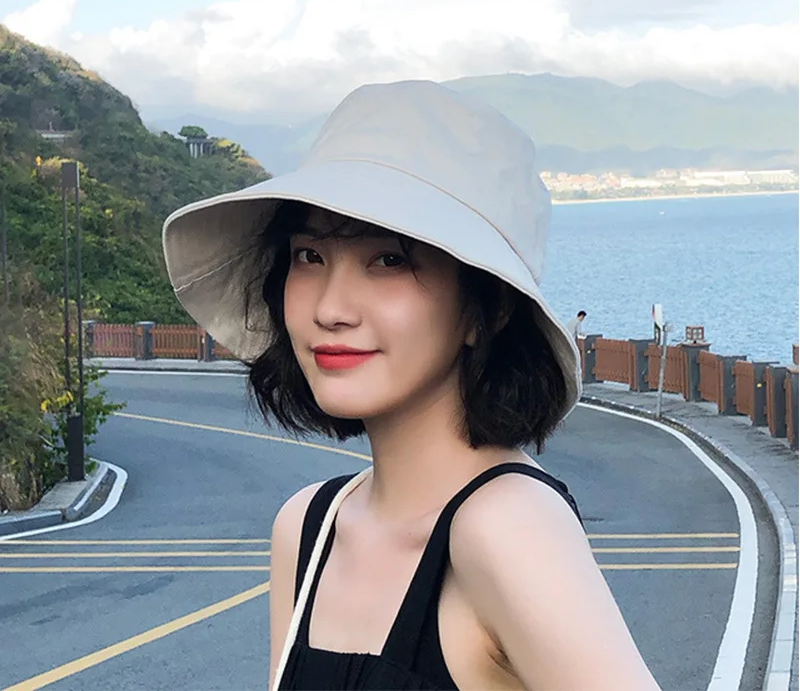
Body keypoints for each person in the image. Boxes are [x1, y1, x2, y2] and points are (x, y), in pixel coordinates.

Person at [163, 81, 660, 691]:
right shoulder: (309, 527)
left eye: (389, 260)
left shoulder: (509, 528)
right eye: (309, 256)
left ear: (486, 309)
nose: (331, 309)